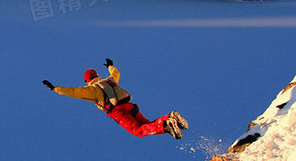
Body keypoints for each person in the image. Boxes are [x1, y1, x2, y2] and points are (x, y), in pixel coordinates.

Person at [42, 58, 188, 139]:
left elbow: (73, 91)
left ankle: (167, 124)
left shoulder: (91, 90)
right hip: (130, 106)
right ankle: (168, 118)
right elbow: (116, 74)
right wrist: (111, 66)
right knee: (147, 124)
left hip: (118, 111)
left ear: (87, 80)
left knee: (138, 131)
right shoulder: (108, 80)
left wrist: (56, 89)